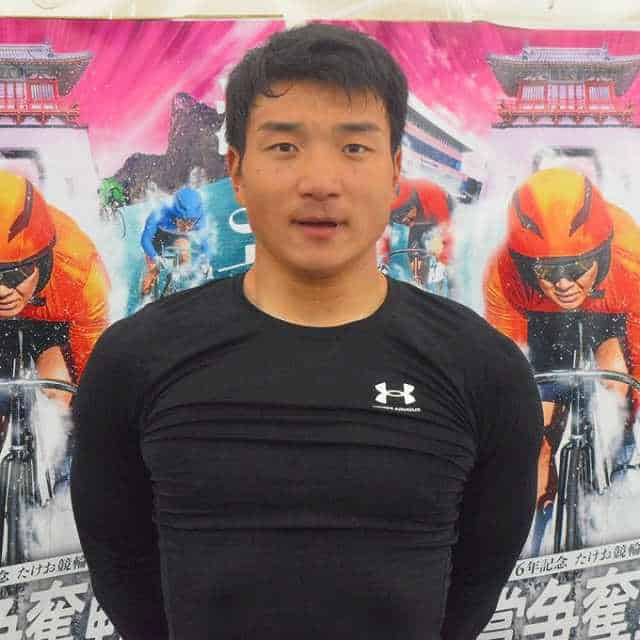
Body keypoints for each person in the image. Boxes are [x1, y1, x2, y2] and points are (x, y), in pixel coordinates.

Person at [71, 23, 542, 640]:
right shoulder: (135, 360)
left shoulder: (484, 371)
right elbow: (121, 565)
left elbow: (475, 581)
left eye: (354, 147)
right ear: (237, 171)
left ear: (395, 171)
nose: (320, 181)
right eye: (285, 146)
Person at [484, 167, 640, 550]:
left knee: (619, 387)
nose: (564, 283)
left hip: (611, 309)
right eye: (548, 271)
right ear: (526, 265)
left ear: (601, 253)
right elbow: (505, 365)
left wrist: (627, 407)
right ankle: (529, 539)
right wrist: (532, 443)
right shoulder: (505, 276)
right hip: (543, 319)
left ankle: (620, 462)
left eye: (576, 268)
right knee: (534, 439)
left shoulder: (631, 261)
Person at [0, 170, 110, 396]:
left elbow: (90, 367)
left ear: (42, 261)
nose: (1, 291)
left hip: (52, 322)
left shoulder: (82, 277)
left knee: (58, 395)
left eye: (14, 274)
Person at [140, 185, 212, 296]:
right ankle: (145, 297)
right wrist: (155, 257)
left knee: (184, 256)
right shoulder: (160, 212)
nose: (187, 228)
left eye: (191, 222)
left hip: (177, 237)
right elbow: (145, 240)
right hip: (157, 238)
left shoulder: (199, 218)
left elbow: (205, 244)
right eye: (184, 222)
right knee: (153, 271)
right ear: (176, 214)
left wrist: (206, 262)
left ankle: (171, 283)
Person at [388, 177, 453, 292]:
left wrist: (442, 257)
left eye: (409, 219)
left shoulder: (435, 201)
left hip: (444, 215)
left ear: (412, 207)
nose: (409, 224)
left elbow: (447, 232)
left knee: (438, 250)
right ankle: (420, 286)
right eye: (404, 223)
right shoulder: (401, 209)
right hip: (425, 219)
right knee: (414, 250)